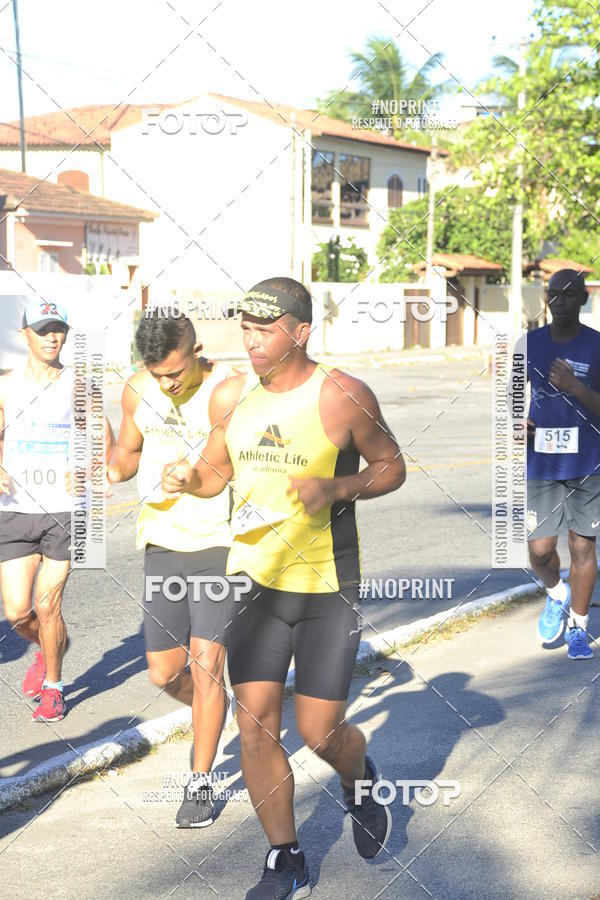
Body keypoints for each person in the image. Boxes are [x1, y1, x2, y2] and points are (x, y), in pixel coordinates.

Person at [161, 277, 406, 898]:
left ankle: (359, 779)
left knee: (322, 731)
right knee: (256, 725)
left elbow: (391, 465)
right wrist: (190, 478)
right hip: (251, 585)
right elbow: (217, 469)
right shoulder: (233, 396)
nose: (253, 341)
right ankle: (284, 856)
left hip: (326, 586)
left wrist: (337, 489)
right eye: (246, 328)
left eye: (266, 329)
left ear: (300, 332)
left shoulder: (343, 394)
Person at [107, 308, 237, 828]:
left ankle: (199, 780)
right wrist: (108, 466)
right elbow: (127, 454)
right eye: (160, 374)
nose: (169, 383)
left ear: (196, 350)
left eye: (176, 372)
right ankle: (219, 708)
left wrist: (191, 478)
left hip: (219, 544)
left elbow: (219, 468)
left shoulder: (225, 391)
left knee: (207, 667)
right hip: (161, 544)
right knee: (164, 672)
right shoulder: (139, 389)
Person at [0, 298, 114, 722]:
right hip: (15, 510)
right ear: (24, 334)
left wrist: (84, 469)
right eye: (43, 328)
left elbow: (103, 441)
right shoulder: (7, 386)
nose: (52, 336)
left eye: (59, 329)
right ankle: (51, 645)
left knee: (48, 607)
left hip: (66, 511)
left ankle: (53, 686)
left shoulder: (79, 385)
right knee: (16, 611)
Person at [525, 269, 600, 658]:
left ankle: (579, 627)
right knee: (539, 550)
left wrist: (575, 387)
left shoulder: (596, 346)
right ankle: (557, 594)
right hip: (542, 463)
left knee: (582, 548)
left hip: (588, 464)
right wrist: (519, 418)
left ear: (583, 300)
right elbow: (509, 397)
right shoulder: (530, 343)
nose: (560, 300)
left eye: (569, 295)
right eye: (553, 293)